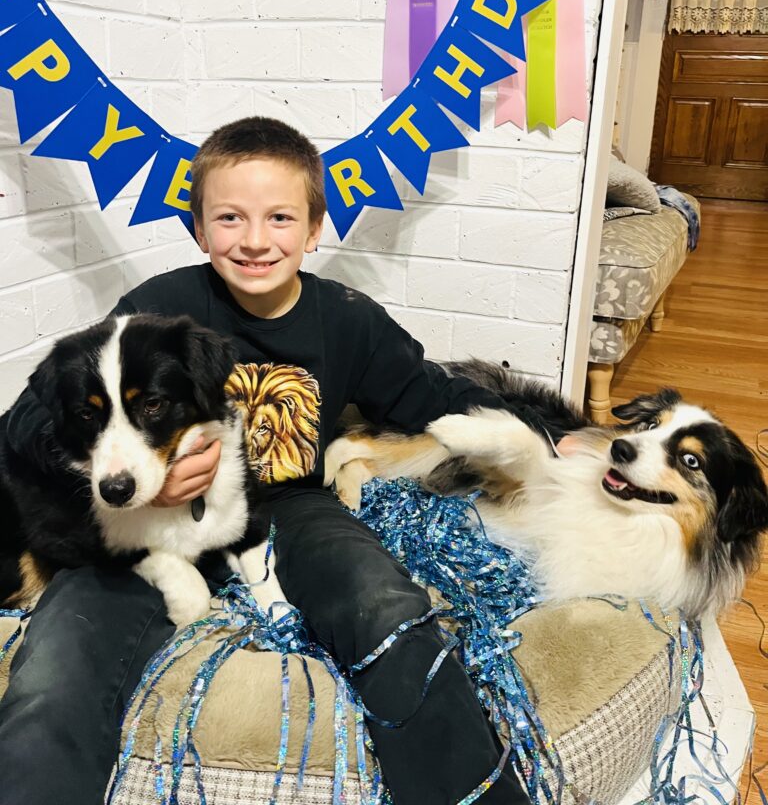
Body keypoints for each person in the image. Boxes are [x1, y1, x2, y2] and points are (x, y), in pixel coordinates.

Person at [0, 117, 530, 805]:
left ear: (314, 229)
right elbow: (30, 420)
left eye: (280, 217)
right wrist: (139, 478)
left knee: (387, 606)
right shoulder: (157, 309)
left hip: (291, 507)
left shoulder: (347, 319)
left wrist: (547, 430)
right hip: (148, 531)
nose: (255, 240)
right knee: (56, 666)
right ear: (199, 229)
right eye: (230, 218)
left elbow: (434, 396)